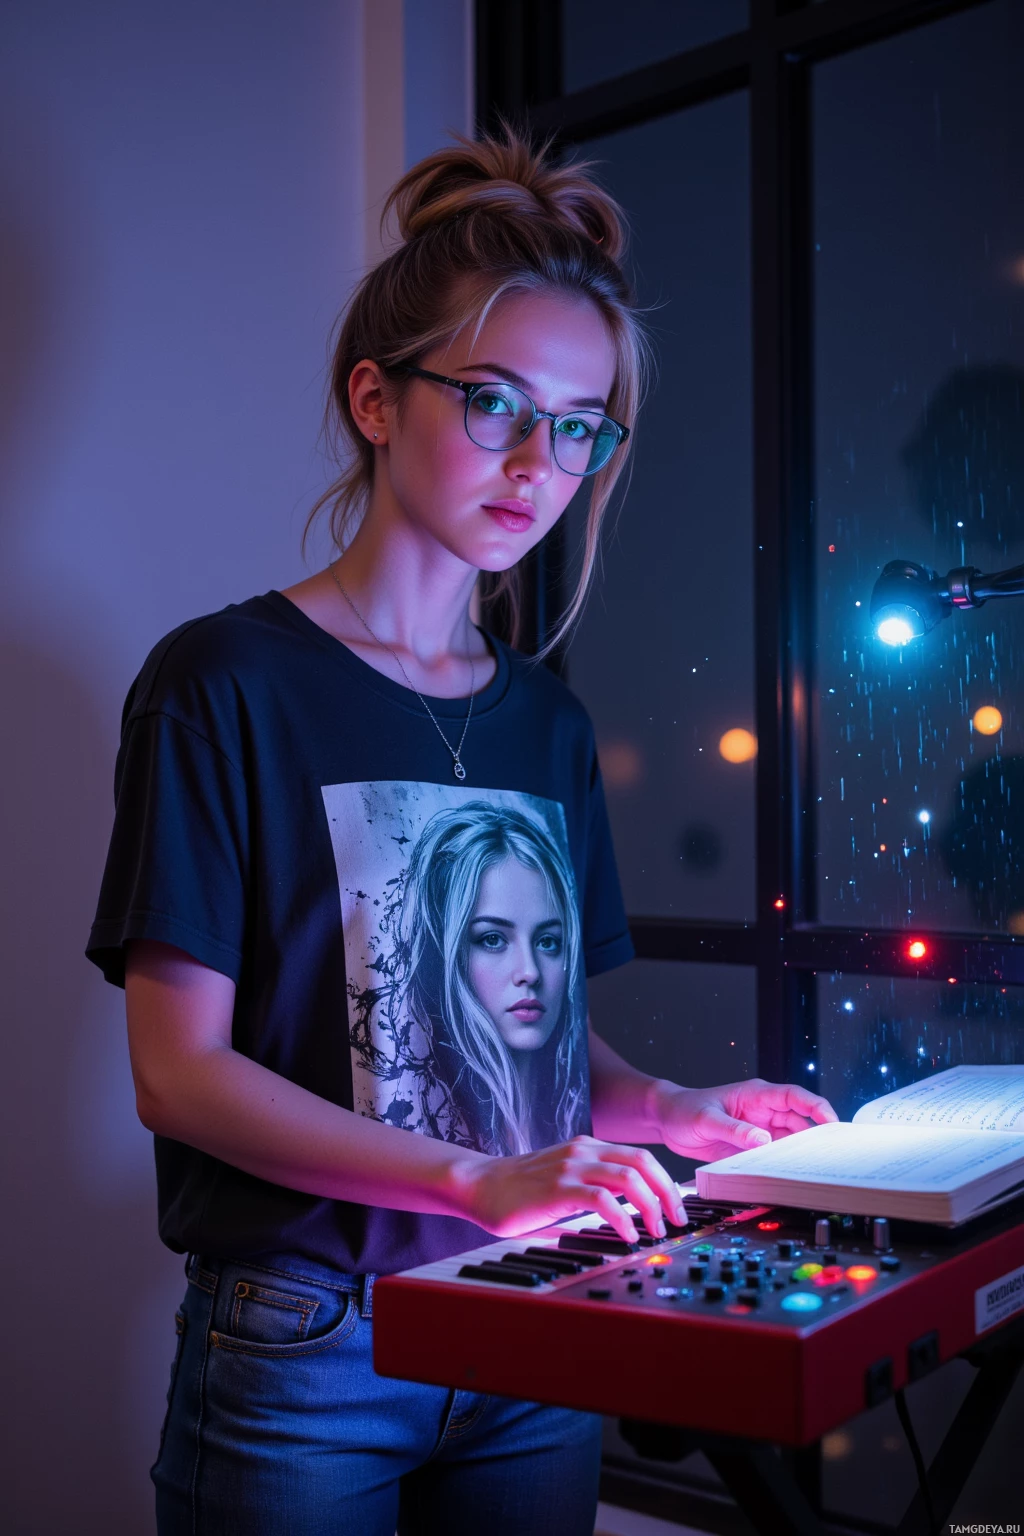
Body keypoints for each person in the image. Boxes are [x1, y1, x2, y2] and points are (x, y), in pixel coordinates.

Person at [86, 126, 837, 1536]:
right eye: (493, 402)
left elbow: (544, 1054)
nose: (536, 462)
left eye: (578, 424)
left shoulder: (546, 721)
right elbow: (177, 1079)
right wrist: (478, 1179)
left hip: (532, 1325)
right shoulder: (224, 685)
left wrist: (672, 1112)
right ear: (377, 398)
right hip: (310, 1351)